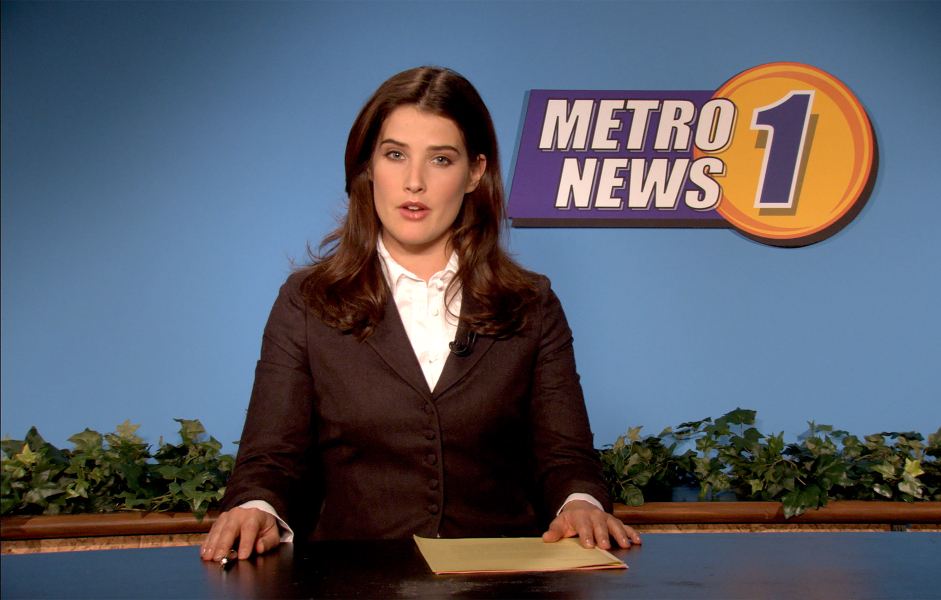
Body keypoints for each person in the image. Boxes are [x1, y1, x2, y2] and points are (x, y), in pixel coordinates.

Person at [201, 66, 640, 563]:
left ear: (475, 172)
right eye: (395, 155)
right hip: (351, 583)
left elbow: (565, 459)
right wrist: (256, 507)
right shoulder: (306, 301)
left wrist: (580, 504)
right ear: (368, 166)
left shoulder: (532, 303)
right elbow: (270, 461)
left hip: (501, 582)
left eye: (440, 159)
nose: (414, 182)